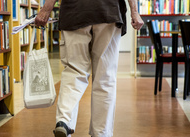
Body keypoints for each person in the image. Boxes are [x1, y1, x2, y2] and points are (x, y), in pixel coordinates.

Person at [35, 0, 143, 136]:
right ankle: (101, 133)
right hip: (108, 11)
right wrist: (134, 11)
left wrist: (46, 9)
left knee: (74, 71)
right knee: (105, 77)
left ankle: (64, 120)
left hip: (75, 11)